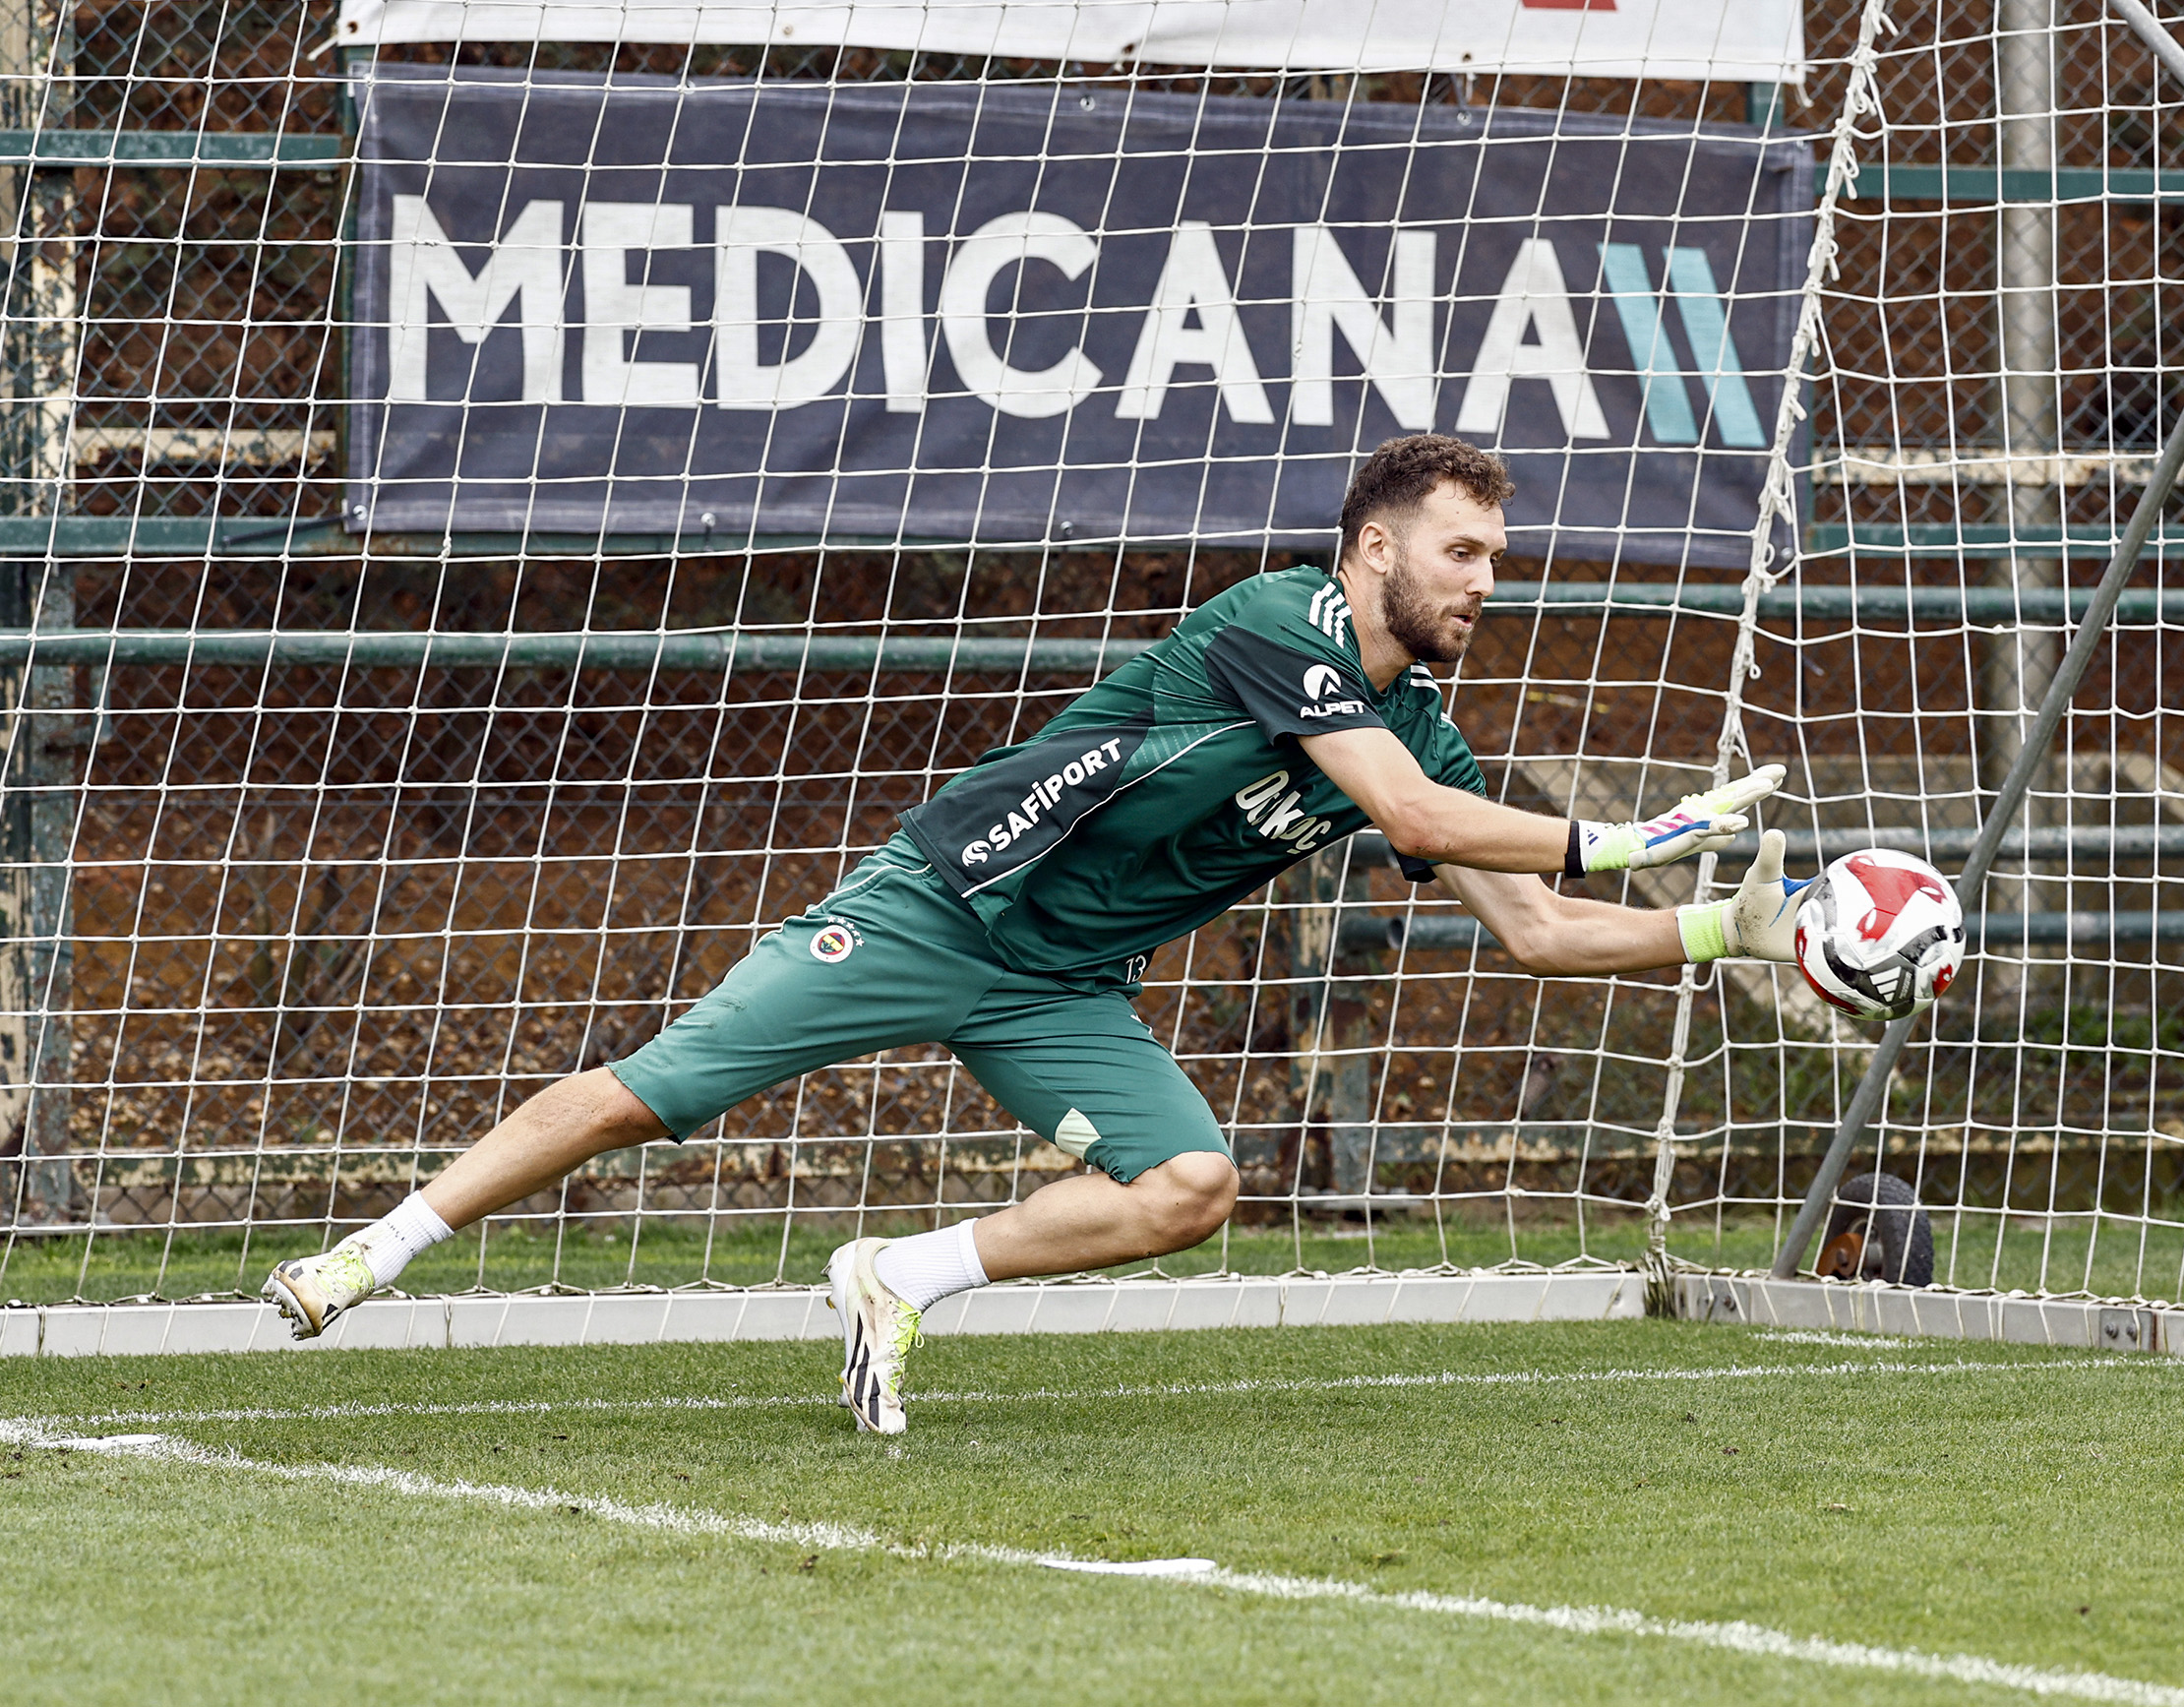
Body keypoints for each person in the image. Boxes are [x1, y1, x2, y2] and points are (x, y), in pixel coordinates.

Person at [263, 434, 1806, 1433]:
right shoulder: (1277, 622)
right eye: (1460, 552)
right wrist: (1627, 835)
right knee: (649, 1097)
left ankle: (899, 1276)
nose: (1485, 582)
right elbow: (1408, 817)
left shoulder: (1423, 731)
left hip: (1060, 986)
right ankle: (371, 1251)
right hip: (943, 908)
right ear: (1372, 549)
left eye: (1496, 560)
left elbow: (1532, 927)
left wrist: (1713, 932)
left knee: (1190, 1184)